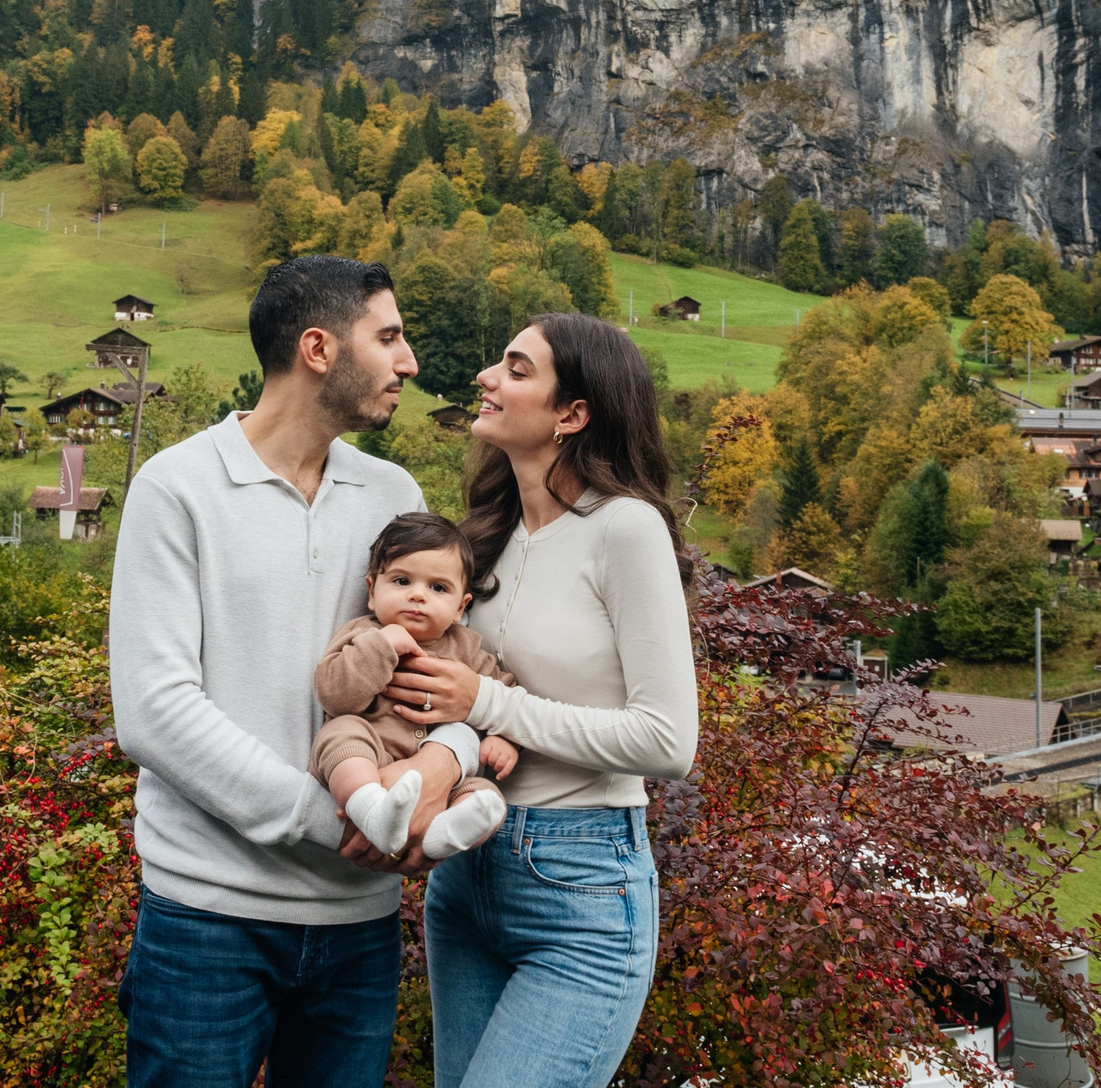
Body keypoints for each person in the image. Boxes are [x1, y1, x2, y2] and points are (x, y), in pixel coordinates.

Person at [108, 255, 471, 1087]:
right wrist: (340, 820)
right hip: (208, 919)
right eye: (389, 337)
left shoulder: (393, 492)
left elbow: (442, 670)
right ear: (318, 348)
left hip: (361, 926)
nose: (409, 362)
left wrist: (442, 764)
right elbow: (155, 711)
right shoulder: (178, 488)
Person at [384, 313, 700, 1088]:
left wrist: (485, 700)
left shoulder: (625, 530)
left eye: (516, 369)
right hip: (465, 875)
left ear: (573, 414)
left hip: (581, 887)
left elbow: (670, 741)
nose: (487, 378)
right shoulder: (484, 538)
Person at [310, 511, 521, 859]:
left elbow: (505, 697)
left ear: (460, 606)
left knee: (483, 796)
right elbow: (333, 696)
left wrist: (505, 739)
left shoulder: (467, 647)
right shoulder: (363, 635)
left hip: (443, 782)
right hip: (371, 757)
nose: (418, 596)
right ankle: (371, 808)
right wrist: (383, 645)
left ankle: (441, 837)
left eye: (438, 588)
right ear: (372, 591)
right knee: (341, 736)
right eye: (402, 581)